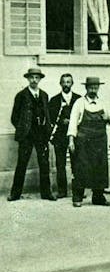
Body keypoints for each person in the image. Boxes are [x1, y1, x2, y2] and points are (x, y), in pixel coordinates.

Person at [67, 77, 110, 207]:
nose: (93, 90)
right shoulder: (79, 103)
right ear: (86, 88)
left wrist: (108, 118)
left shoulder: (103, 102)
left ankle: (98, 196)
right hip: (83, 141)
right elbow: (72, 122)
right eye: (91, 87)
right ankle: (77, 197)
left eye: (95, 87)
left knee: (100, 168)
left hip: (100, 140)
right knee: (81, 168)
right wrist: (71, 139)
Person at [9, 67, 54, 201]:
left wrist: (46, 130)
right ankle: (15, 194)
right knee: (22, 163)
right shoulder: (21, 95)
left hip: (41, 134)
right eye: (32, 78)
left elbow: (47, 114)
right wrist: (23, 129)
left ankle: (46, 193)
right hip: (27, 135)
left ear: (40, 79)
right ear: (28, 79)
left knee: (44, 164)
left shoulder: (44, 95)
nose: (34, 80)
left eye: (36, 78)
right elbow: (14, 117)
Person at [48, 73, 81, 199]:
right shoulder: (54, 100)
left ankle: (78, 190)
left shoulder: (78, 99)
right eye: (64, 82)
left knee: (76, 163)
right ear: (60, 84)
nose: (66, 84)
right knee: (60, 163)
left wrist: (73, 121)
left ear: (72, 84)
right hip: (60, 136)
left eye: (68, 82)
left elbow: (82, 117)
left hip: (75, 136)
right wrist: (61, 122)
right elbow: (51, 118)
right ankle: (62, 190)